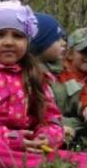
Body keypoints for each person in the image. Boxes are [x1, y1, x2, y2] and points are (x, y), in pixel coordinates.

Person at [0, 0, 87, 168]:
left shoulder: (34, 74)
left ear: (27, 42)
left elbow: (52, 119)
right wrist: (9, 137)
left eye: (17, 36)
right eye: (0, 34)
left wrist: (46, 137)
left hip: (29, 146)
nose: (9, 42)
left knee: (52, 151)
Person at [29, 13, 76, 143]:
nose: (63, 43)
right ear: (41, 43)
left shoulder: (60, 69)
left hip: (57, 126)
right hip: (43, 132)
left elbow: (75, 97)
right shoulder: (31, 74)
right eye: (57, 39)